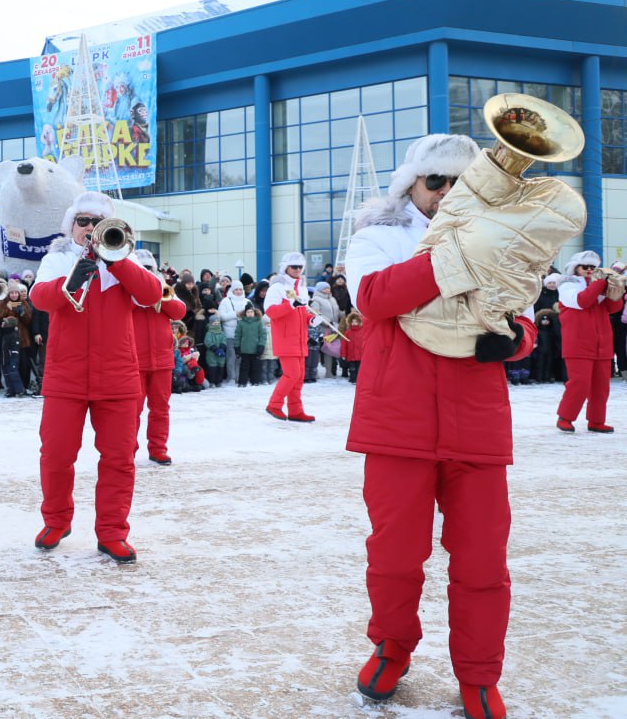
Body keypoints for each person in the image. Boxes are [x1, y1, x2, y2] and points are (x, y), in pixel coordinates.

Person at [343, 134, 534, 719]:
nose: (448, 192)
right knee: (394, 556)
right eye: (436, 181)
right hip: (397, 422)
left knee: (482, 560)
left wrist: (514, 339)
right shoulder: (378, 236)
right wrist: (452, 251)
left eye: (461, 182)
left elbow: (523, 317)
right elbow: (373, 298)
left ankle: (479, 674)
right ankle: (392, 647)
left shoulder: (502, 240)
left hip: (476, 423)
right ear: (412, 185)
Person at [29, 192, 161, 563]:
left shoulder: (125, 259)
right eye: (83, 221)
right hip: (66, 375)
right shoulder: (56, 259)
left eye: (97, 222)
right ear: (71, 226)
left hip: (118, 376)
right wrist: (78, 273)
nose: (89, 227)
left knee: (120, 457)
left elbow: (151, 294)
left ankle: (112, 532)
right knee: (56, 454)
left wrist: (115, 262)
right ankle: (56, 521)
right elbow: (40, 299)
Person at [128, 250, 187, 465]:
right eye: (142, 269)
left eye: (149, 269)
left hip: (162, 359)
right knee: (131, 411)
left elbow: (179, 311)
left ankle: (158, 448)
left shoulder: (163, 287)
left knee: (161, 409)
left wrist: (158, 297)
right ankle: (128, 450)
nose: (146, 272)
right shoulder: (126, 287)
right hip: (134, 360)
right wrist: (139, 295)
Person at [555, 251, 623, 432]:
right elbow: (582, 301)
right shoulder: (567, 284)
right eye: (586, 266)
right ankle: (565, 417)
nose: (590, 270)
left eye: (593, 267)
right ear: (575, 267)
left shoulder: (597, 286)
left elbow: (613, 308)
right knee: (580, 384)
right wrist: (600, 283)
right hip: (578, 343)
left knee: (601, 387)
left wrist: (617, 291)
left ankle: (596, 421)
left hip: (602, 344)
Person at [264, 252, 318, 422]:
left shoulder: (302, 288)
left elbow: (302, 313)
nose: (297, 269)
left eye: (300, 267)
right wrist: (291, 305)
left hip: (300, 339)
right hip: (285, 338)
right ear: (285, 267)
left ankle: (295, 410)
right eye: (294, 266)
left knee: (299, 377)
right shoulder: (277, 287)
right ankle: (274, 404)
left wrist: (311, 319)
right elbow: (270, 311)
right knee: (292, 374)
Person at [234, 303, 266, 387]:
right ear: (245, 313)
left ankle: (255, 381)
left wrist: (261, 346)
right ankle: (242, 382)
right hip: (244, 349)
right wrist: (237, 347)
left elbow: (262, 336)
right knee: (244, 367)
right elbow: (237, 335)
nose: (250, 313)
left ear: (254, 313)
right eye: (248, 312)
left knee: (256, 367)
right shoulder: (241, 323)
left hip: (256, 349)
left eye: (251, 312)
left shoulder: (259, 323)